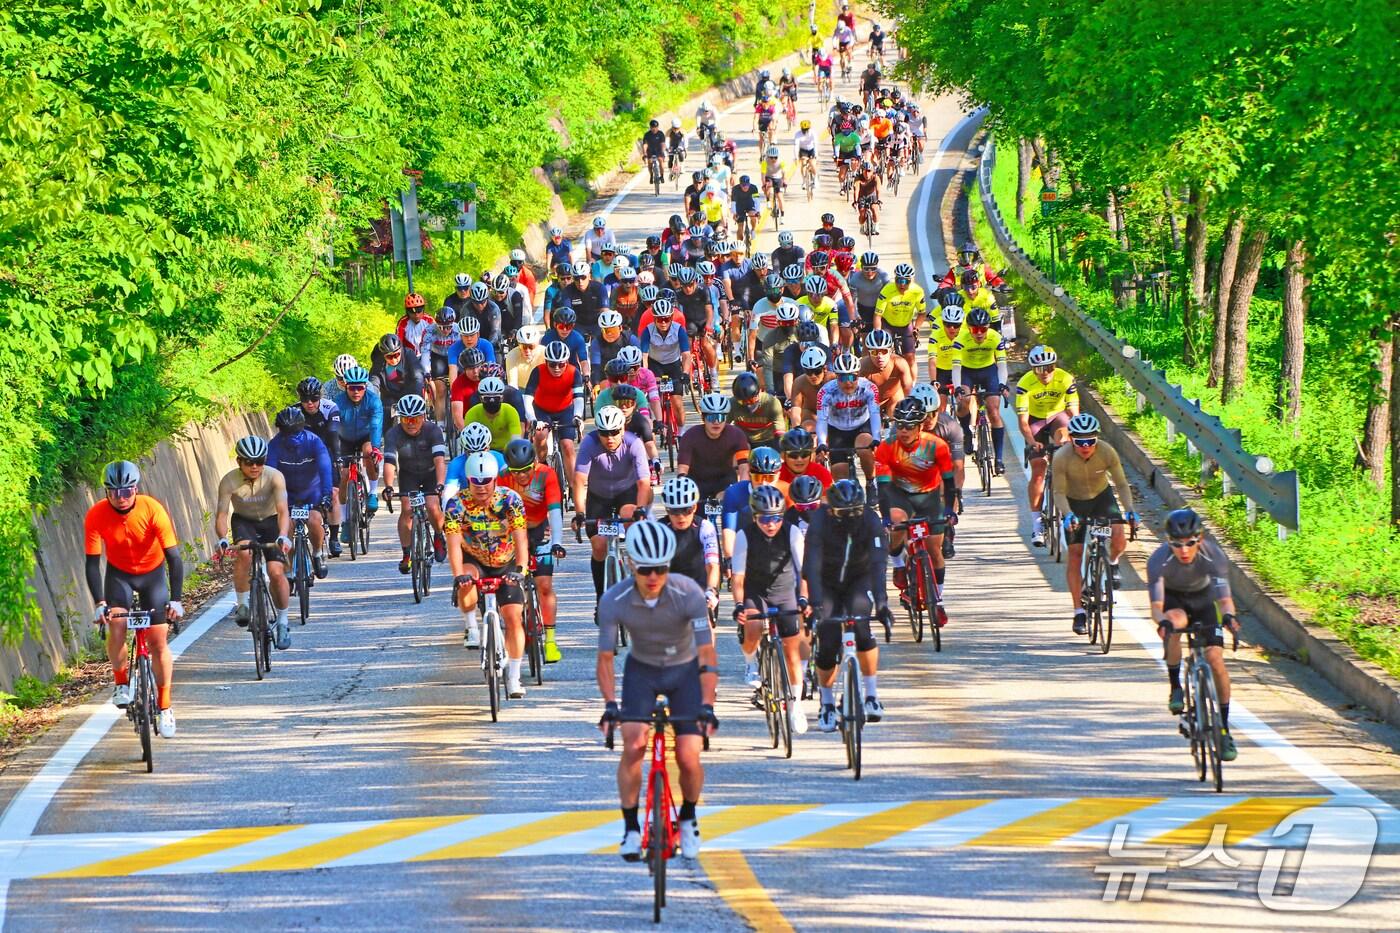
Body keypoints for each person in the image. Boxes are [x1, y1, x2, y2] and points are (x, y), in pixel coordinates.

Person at [597, 520, 718, 861]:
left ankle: (690, 818)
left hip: (685, 672)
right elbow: (605, 659)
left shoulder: (688, 593)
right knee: (634, 744)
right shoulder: (614, 599)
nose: (654, 577)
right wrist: (610, 704)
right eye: (646, 569)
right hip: (643, 671)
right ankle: (631, 828)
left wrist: (707, 704)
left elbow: (707, 653)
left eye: (662, 568)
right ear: (632, 564)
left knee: (688, 754)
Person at [84, 460, 184, 737]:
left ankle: (164, 707)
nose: (120, 498)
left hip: (152, 575)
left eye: (126, 491)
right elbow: (92, 563)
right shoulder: (96, 515)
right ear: (105, 492)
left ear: (136, 489)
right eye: (114, 492)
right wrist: (100, 603)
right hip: (120, 577)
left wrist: (176, 600)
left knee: (157, 640)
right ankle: (121, 682)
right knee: (116, 625)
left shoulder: (152, 508)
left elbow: (174, 558)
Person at [1150, 508, 1241, 761]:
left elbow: (1224, 600)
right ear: (1168, 542)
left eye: (1190, 543)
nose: (1184, 550)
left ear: (1200, 539)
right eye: (1176, 545)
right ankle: (1176, 687)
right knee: (1174, 623)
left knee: (1215, 658)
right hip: (1175, 601)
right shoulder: (1159, 561)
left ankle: (1223, 729)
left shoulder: (1214, 556)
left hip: (1204, 602)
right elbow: (1157, 608)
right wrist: (1164, 623)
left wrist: (1230, 617)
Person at [802, 480, 891, 730]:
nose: (852, 517)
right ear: (832, 510)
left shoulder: (870, 519)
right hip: (827, 582)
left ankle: (872, 695)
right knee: (828, 639)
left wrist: (882, 603)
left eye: (856, 511)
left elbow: (878, 564)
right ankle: (827, 703)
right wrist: (816, 604)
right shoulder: (820, 521)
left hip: (858, 579)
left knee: (862, 628)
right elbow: (812, 566)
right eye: (845, 513)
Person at [444, 453, 531, 697]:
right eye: (475, 481)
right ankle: (471, 627)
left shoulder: (510, 500)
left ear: (495, 479)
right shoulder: (456, 504)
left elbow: (521, 538)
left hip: (506, 561)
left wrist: (521, 569)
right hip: (476, 558)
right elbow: (452, 543)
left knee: (514, 618)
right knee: (466, 579)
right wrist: (457, 574)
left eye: (486, 481)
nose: (481, 487)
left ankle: (514, 677)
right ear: (468, 480)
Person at [731, 485, 810, 729]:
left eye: (776, 518)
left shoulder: (793, 533)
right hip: (756, 592)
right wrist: (738, 605)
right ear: (755, 517)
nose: (771, 524)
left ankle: (796, 707)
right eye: (765, 519)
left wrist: (804, 598)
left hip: (785, 592)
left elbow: (804, 571)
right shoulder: (744, 535)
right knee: (752, 625)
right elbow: (738, 577)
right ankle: (751, 664)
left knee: (792, 652)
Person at [1054, 414, 1137, 635]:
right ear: (1071, 439)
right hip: (1073, 502)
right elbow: (1059, 492)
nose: (1086, 446)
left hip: (1101, 497)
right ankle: (1078, 611)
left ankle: (1112, 561)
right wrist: (1068, 514)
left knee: (1118, 535)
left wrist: (1129, 510)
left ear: (1096, 439)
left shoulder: (1107, 451)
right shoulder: (1062, 457)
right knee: (1075, 554)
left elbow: (1121, 483)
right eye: (1080, 442)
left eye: (1090, 441)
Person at [876, 398, 956, 627]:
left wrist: (949, 509)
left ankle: (937, 600)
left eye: (909, 426)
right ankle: (899, 565)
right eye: (899, 425)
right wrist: (885, 518)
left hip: (929, 497)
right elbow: (882, 488)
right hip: (899, 495)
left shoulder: (937, 446)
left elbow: (949, 483)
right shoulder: (886, 447)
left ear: (921, 425)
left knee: (934, 549)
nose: (903, 430)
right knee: (898, 523)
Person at [214, 436, 293, 650]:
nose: (255, 466)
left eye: (259, 461)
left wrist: (283, 535)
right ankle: (242, 604)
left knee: (276, 572)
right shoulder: (229, 480)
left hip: (271, 521)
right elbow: (221, 514)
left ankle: (283, 622)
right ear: (239, 462)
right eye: (249, 462)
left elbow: (283, 510)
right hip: (244, 521)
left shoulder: (275, 476)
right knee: (244, 554)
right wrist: (222, 538)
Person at [573, 406, 652, 600]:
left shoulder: (634, 444)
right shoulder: (589, 444)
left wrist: (640, 510)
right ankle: (601, 597)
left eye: (615, 432)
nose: (610, 438)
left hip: (627, 492)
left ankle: (637, 572)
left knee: (629, 515)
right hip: (599, 496)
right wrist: (580, 512)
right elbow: (579, 481)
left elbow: (644, 483)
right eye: (604, 433)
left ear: (623, 428)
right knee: (599, 546)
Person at [501, 438, 566, 663]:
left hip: (539, 530)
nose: (521, 476)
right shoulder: (502, 477)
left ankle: (550, 640)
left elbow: (555, 511)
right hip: (511, 532)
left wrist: (557, 541)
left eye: (525, 470)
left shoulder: (546, 475)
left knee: (544, 585)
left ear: (534, 464)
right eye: (515, 471)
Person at [1015, 345, 1080, 547]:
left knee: (1064, 437)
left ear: (1054, 366)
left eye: (1049, 368)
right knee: (1038, 470)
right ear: (1032, 369)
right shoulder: (1025, 383)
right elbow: (1024, 422)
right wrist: (1033, 443)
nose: (1045, 374)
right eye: (1039, 369)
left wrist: (1073, 436)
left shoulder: (1066, 379)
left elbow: (1073, 412)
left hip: (1056, 416)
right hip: (1034, 421)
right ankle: (1037, 525)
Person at [380, 395, 448, 574]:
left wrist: (440, 484)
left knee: (433, 506)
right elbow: (389, 463)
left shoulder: (433, 431)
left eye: (415, 418)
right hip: (408, 474)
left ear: (423, 417)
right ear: (399, 418)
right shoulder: (393, 434)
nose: (410, 423)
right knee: (407, 508)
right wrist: (388, 486)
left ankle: (439, 536)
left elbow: (440, 461)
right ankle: (406, 554)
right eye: (406, 419)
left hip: (430, 473)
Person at [266, 406, 333, 579]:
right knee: (285, 526)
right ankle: (288, 567)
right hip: (287, 493)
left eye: (294, 431)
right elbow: (270, 473)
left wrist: (326, 494)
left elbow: (325, 469)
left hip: (312, 491)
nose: (290, 435)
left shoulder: (314, 441)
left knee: (314, 520)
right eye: (286, 432)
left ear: (302, 428)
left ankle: (317, 553)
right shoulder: (274, 445)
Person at [950, 307, 1008, 474]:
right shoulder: (960, 339)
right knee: (963, 403)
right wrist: (958, 388)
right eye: (975, 329)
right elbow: (956, 367)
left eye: (983, 329)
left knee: (994, 412)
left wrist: (1002, 384)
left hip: (989, 372)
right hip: (967, 372)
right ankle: (967, 432)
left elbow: (1002, 364)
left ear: (988, 327)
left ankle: (998, 459)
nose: (979, 333)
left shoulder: (996, 338)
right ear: (969, 329)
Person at [658, 475, 722, 617]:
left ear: (694, 507)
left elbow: (712, 566)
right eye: (675, 511)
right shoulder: (659, 529)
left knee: (706, 630)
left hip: (701, 586)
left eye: (686, 510)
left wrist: (711, 591)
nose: (681, 517)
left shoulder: (705, 527)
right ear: (667, 510)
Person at [816, 352, 882, 485]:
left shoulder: (869, 388)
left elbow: (875, 413)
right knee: (840, 474)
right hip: (837, 429)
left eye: (853, 377)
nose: (848, 382)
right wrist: (822, 442)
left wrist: (876, 438)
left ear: (858, 375)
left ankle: (871, 482)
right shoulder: (826, 392)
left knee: (865, 448)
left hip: (862, 426)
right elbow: (822, 419)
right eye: (843, 378)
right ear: (836, 376)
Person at [329, 364, 384, 519]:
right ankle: (345, 519)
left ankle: (372, 492)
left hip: (365, 436)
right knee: (344, 475)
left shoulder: (373, 401)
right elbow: (333, 428)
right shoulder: (338, 402)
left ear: (365, 386)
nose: (356, 392)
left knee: (369, 453)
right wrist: (333, 451)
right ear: (345, 387)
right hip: (344, 438)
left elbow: (375, 425)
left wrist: (375, 448)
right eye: (352, 388)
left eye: (359, 388)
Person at [677, 393, 752, 504]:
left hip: (725, 480)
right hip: (697, 481)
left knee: (729, 502)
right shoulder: (690, 436)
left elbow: (744, 468)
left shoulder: (737, 435)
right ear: (703, 418)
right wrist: (683, 487)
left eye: (720, 417)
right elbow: (682, 470)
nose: (716, 422)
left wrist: (742, 489)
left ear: (726, 418)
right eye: (711, 417)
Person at [638, 298, 693, 432]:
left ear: (671, 318)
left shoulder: (679, 330)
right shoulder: (647, 331)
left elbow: (686, 354)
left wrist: (685, 373)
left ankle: (681, 432)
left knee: (677, 403)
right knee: (654, 396)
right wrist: (645, 374)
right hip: (655, 365)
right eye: (659, 319)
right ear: (654, 319)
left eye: (666, 319)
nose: (663, 323)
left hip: (673, 365)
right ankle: (658, 420)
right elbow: (644, 356)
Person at [873, 263, 924, 369]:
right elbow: (878, 315)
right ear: (895, 278)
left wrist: (916, 328)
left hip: (906, 325)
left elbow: (922, 313)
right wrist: (877, 332)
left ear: (911, 280)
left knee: (910, 358)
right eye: (899, 280)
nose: (902, 284)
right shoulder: (887, 290)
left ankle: (912, 384)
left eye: (906, 281)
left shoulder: (917, 291)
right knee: (884, 355)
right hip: (888, 324)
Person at [369, 333, 427, 416]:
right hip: (389, 396)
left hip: (409, 393)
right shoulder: (379, 360)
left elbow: (418, 377)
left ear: (401, 350)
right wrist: (372, 399)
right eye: (389, 357)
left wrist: (417, 398)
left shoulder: (409, 354)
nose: (393, 359)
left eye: (396, 355)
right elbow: (374, 380)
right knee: (384, 422)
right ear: (383, 356)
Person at [860, 329, 913, 417]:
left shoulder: (899, 363)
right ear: (869, 353)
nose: (880, 356)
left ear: (891, 351)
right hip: (871, 401)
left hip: (893, 397)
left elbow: (908, 389)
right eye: (874, 352)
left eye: (884, 351)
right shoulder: (862, 367)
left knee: (896, 414)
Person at [462, 376, 522, 453]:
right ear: (480, 398)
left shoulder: (511, 411)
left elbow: (516, 439)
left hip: (506, 452)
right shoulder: (472, 413)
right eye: (487, 398)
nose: (492, 401)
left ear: (502, 398)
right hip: (481, 451)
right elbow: (469, 442)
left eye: (496, 398)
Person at [728, 371, 786, 447]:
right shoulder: (732, 404)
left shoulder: (772, 402)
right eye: (743, 401)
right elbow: (722, 426)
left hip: (768, 441)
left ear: (759, 392)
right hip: (744, 441)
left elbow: (779, 429)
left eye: (751, 400)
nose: (748, 404)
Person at [777, 426, 832, 494]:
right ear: (783, 455)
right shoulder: (776, 475)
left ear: (811, 455)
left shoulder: (822, 473)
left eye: (804, 454)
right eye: (793, 455)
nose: (799, 459)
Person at [504, 324, 545, 390]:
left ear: (537, 344)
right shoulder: (511, 355)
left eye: (531, 347)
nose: (527, 350)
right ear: (518, 344)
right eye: (524, 347)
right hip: (521, 390)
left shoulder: (544, 353)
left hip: (541, 389)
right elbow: (512, 384)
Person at [853, 160, 881, 235]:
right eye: (865, 171)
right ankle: (862, 225)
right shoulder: (858, 178)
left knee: (875, 209)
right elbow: (856, 190)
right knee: (862, 214)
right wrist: (855, 201)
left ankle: (876, 226)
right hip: (862, 197)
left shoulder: (876, 178)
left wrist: (878, 199)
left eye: (869, 171)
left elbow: (878, 189)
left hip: (872, 196)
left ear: (872, 171)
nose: (867, 173)